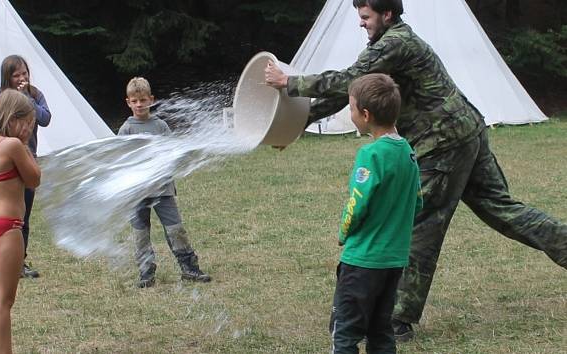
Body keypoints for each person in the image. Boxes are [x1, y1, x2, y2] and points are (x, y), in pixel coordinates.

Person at [265, 0, 567, 342]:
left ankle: (396, 319)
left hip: (443, 144)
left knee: (419, 224)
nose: (361, 24)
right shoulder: (387, 44)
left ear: (387, 14)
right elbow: (356, 91)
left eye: (365, 17)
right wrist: (296, 125)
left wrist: (289, 83)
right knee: (503, 210)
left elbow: (349, 81)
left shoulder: (397, 43)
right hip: (465, 130)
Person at [330, 73, 422, 353]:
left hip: (362, 261)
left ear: (366, 114)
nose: (350, 113)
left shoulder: (371, 155)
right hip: (393, 262)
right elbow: (417, 203)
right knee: (381, 331)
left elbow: (357, 203)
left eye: (351, 108)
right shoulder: (408, 152)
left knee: (345, 331)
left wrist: (344, 232)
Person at [0, 54, 51, 285]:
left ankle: (18, 260)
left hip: (27, 157)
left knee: (23, 213)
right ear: (7, 77)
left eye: (24, 73)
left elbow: (45, 119)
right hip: (8, 163)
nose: (22, 78)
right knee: (2, 211)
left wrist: (26, 99)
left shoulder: (34, 95)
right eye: (16, 75)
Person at [118, 77, 211, 288]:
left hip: (163, 191)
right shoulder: (126, 130)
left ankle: (190, 269)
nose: (139, 104)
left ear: (151, 100)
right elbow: (121, 161)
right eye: (135, 101)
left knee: (175, 229)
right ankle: (146, 273)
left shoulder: (161, 126)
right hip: (137, 195)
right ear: (128, 102)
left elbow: (172, 153)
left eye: (143, 100)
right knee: (141, 235)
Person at [0, 89, 41, 353]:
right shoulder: (14, 145)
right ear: (11, 118)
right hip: (7, 228)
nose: (28, 128)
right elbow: (34, 179)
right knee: (4, 302)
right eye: (26, 123)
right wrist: (25, 144)